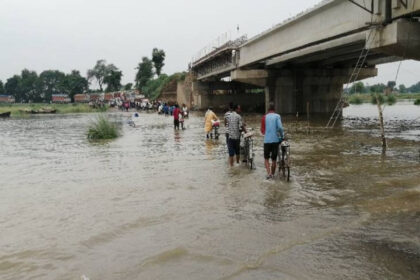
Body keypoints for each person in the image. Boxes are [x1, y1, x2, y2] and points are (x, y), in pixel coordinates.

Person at [261, 102, 284, 180]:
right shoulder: (277, 116)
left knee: (266, 158)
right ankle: (273, 175)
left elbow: (262, 130)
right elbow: (280, 128)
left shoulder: (264, 117)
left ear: (268, 109)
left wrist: (266, 133)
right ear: (274, 109)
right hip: (275, 140)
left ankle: (269, 174)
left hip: (267, 140)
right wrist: (282, 136)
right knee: (274, 159)